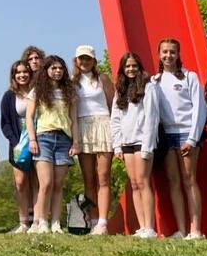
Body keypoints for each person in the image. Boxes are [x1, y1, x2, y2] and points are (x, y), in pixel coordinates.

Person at [151, 38, 207, 240]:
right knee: (173, 181)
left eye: (172, 52)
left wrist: (193, 139)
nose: (168, 56)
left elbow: (201, 109)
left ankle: (195, 230)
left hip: (187, 133)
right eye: (164, 52)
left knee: (189, 180)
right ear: (159, 54)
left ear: (178, 54)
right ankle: (181, 230)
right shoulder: (154, 81)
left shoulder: (189, 77)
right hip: (166, 135)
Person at [26, 55, 79, 234]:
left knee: (58, 184)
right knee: (46, 183)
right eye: (53, 68)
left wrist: (76, 142)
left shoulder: (69, 92)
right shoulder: (37, 91)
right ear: (46, 70)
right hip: (43, 138)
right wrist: (32, 140)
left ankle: (56, 222)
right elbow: (29, 117)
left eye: (60, 68)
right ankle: (41, 221)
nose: (57, 71)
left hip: (64, 138)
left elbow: (74, 119)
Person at [109, 53, 160, 239]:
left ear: (139, 67)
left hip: (142, 142)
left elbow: (152, 118)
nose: (131, 69)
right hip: (126, 143)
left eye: (134, 66)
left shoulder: (149, 87)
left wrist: (147, 146)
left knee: (143, 181)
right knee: (134, 183)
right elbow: (115, 119)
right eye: (127, 66)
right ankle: (141, 226)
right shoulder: (119, 90)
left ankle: (150, 227)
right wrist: (117, 146)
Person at [72, 45, 115, 235]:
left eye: (88, 58)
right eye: (81, 58)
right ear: (76, 61)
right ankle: (93, 220)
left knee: (103, 176)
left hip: (103, 125)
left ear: (94, 61)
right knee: (88, 179)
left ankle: (103, 223)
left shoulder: (102, 78)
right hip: (82, 128)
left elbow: (113, 104)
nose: (84, 62)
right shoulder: (72, 82)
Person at [0, 60, 35, 233]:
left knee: (36, 181)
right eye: (18, 72)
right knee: (21, 182)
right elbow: (5, 122)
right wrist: (15, 142)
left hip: (37, 140)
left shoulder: (38, 93)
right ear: (13, 76)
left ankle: (37, 220)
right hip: (18, 143)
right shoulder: (8, 96)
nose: (22, 75)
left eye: (25, 72)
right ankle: (23, 222)